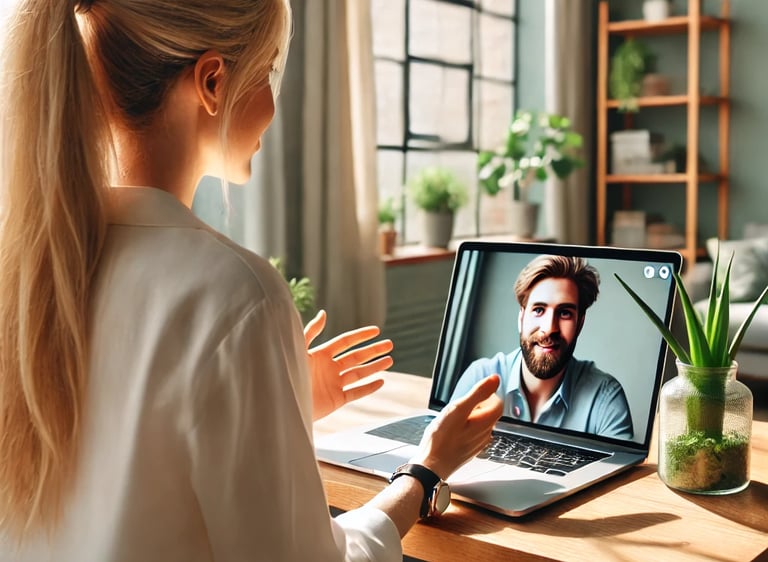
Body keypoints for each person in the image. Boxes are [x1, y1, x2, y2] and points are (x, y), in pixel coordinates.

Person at [0, 1, 503, 560]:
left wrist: (279, 406)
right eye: (267, 71)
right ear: (213, 82)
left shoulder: (28, 273)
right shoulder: (233, 293)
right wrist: (424, 472)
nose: (273, 100)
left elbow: (125, 469)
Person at [450, 255, 633, 440]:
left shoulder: (605, 398)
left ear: (580, 324)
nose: (549, 329)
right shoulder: (479, 378)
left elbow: (622, 469)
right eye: (538, 310)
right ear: (521, 319)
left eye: (564, 313)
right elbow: (442, 450)